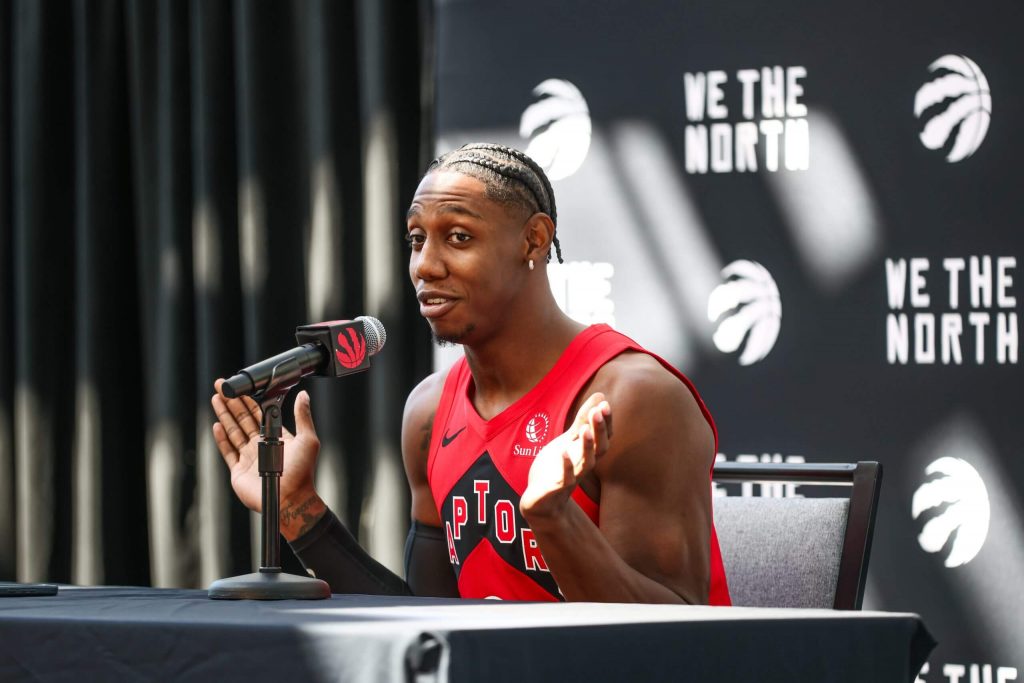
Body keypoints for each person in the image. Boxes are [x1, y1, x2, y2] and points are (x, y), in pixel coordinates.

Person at [211, 143, 731, 604]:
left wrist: (554, 517)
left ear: (534, 240)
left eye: (458, 237)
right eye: (416, 239)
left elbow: (670, 633)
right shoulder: (428, 411)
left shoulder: (633, 398)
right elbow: (423, 618)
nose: (425, 266)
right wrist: (297, 509)